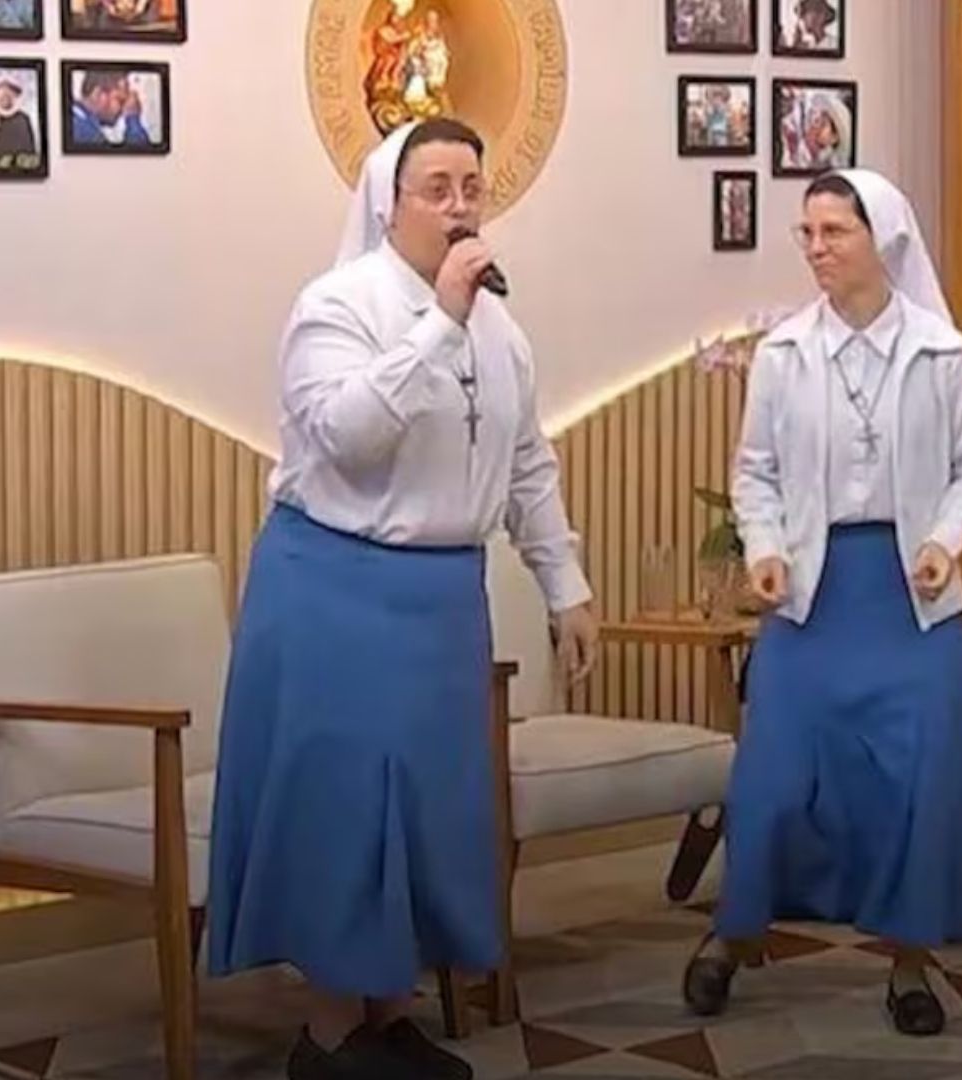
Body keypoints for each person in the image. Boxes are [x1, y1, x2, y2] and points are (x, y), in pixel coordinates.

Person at [205, 119, 600, 1080]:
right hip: (336, 591)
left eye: (473, 186)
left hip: (442, 601)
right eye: (437, 188)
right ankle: (330, 1032)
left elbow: (526, 465)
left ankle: (387, 1015)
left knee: (425, 813)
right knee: (347, 812)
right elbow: (347, 437)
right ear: (391, 204)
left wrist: (566, 585)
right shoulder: (336, 306)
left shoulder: (501, 332)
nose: (460, 206)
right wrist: (439, 324)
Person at [681, 169, 962, 1036]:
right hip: (813, 595)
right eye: (809, 233)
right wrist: (766, 548)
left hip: (912, 597)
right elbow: (755, 473)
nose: (817, 248)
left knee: (915, 777)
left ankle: (910, 962)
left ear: (882, 239)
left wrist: (945, 538)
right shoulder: (784, 353)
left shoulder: (944, 353)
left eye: (835, 232)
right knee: (774, 775)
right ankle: (733, 932)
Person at [0, 72, 37, 173]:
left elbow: (28, 155)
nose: (5, 95)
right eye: (0, 90)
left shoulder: (22, 120)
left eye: (10, 91)